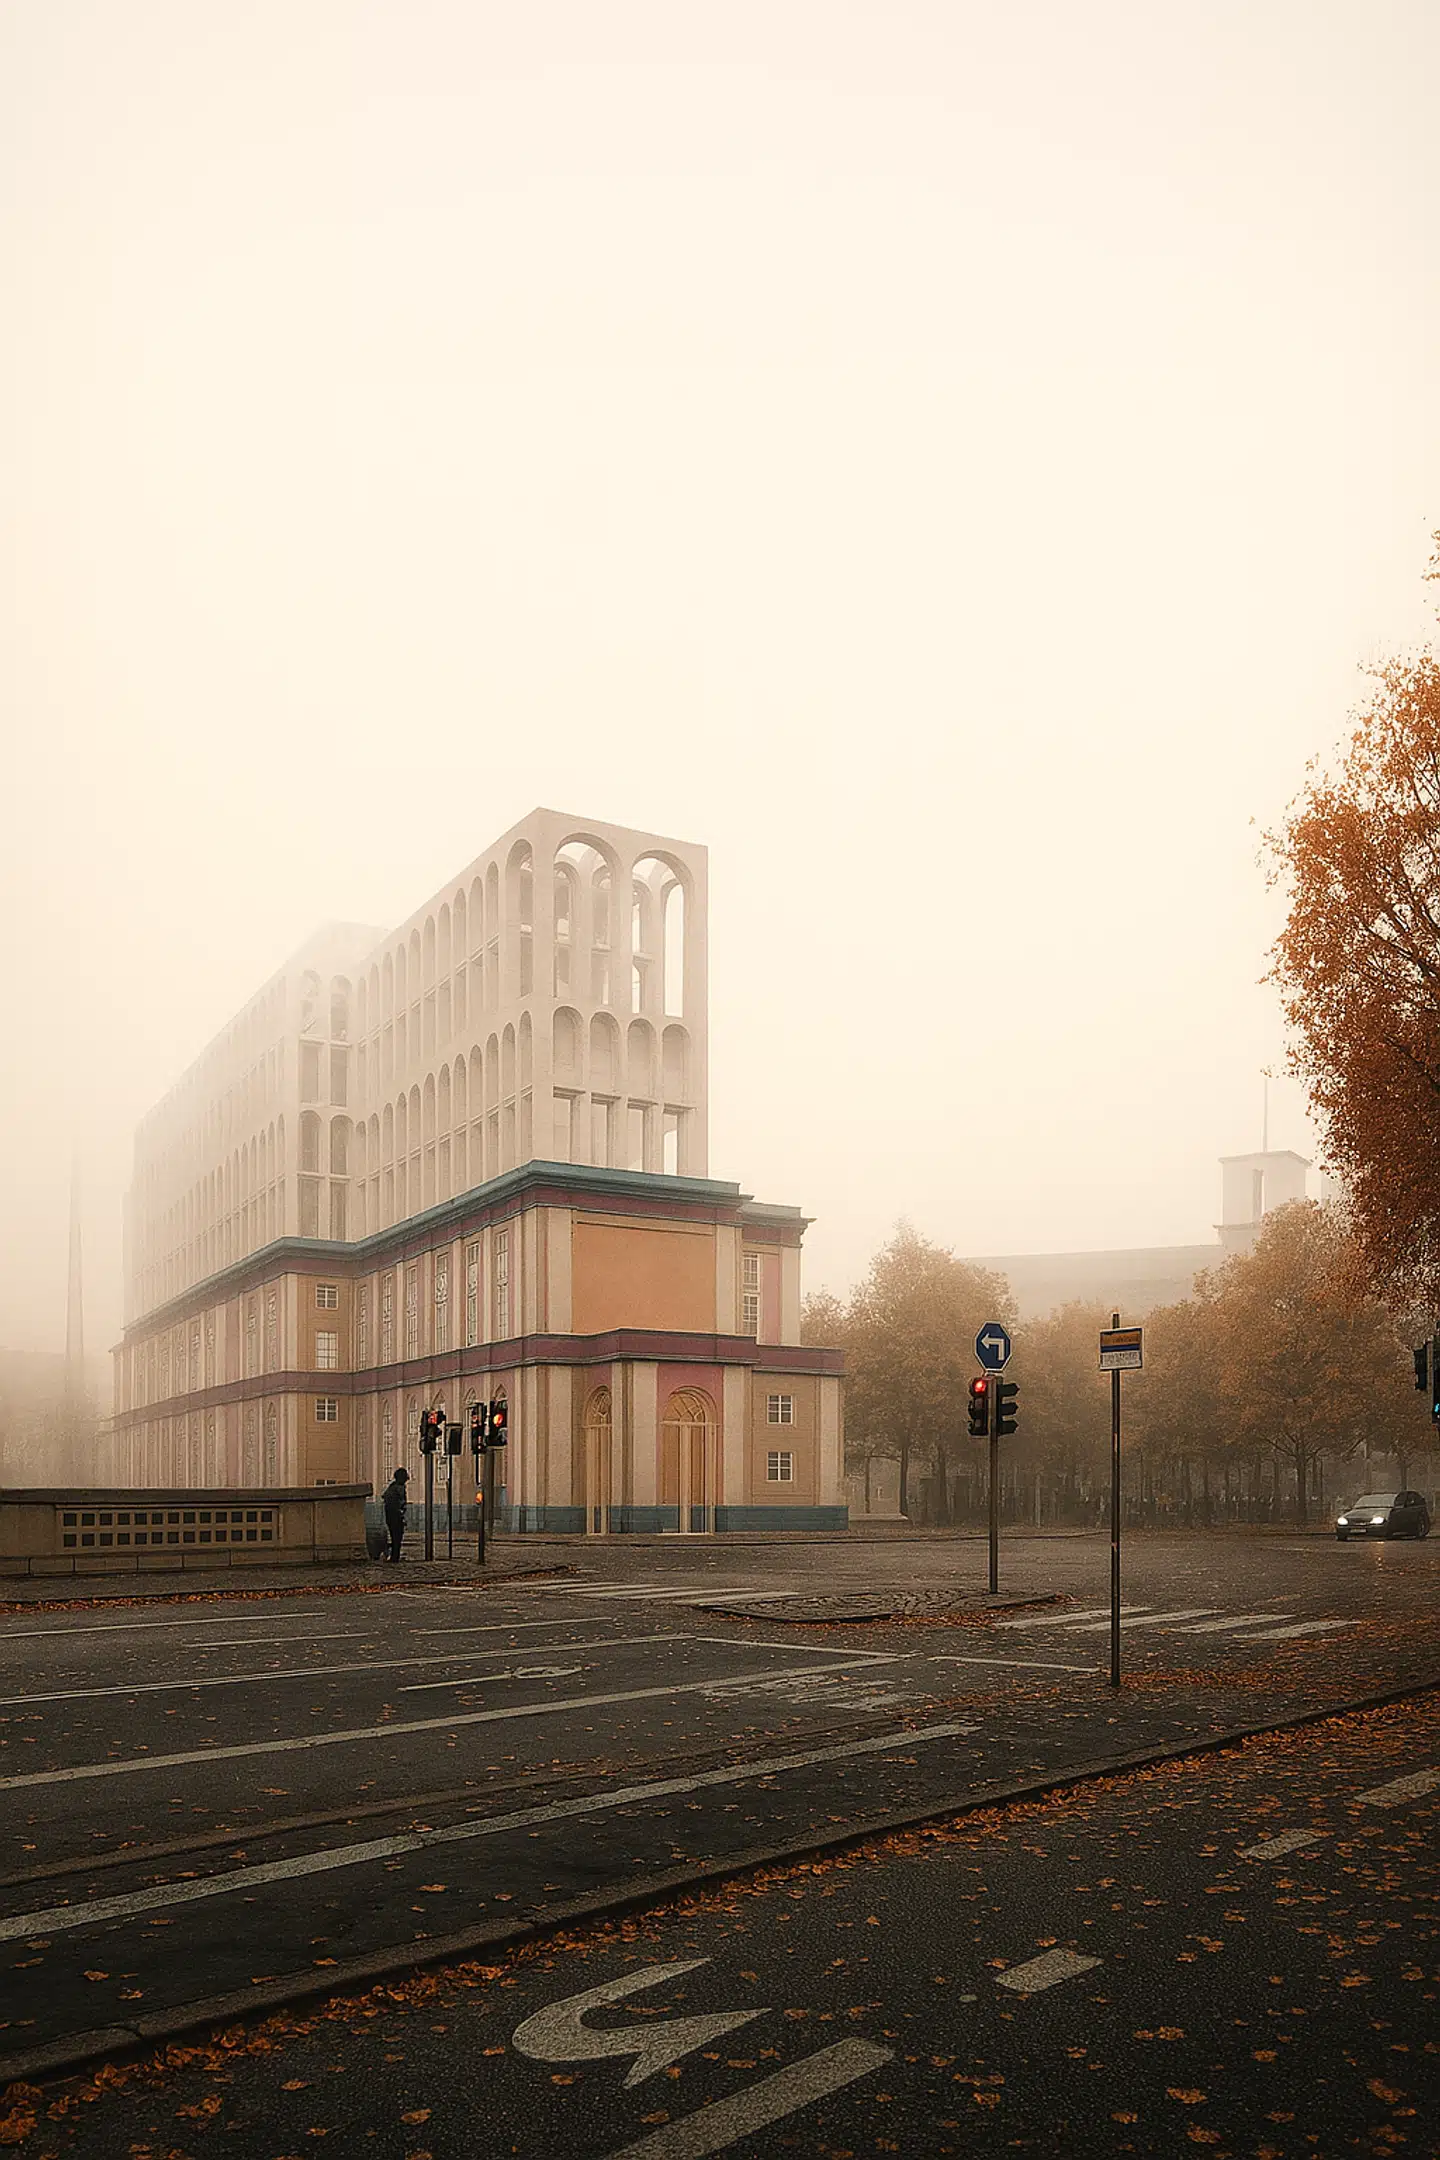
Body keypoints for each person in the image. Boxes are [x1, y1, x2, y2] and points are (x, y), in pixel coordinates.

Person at [381, 1466, 409, 1563]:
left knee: (394, 1537)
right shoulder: (399, 1488)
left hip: (390, 1514)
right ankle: (395, 1557)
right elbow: (401, 1503)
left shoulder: (392, 1486)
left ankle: (394, 1556)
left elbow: (384, 1496)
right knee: (397, 1537)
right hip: (396, 1515)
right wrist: (401, 1512)